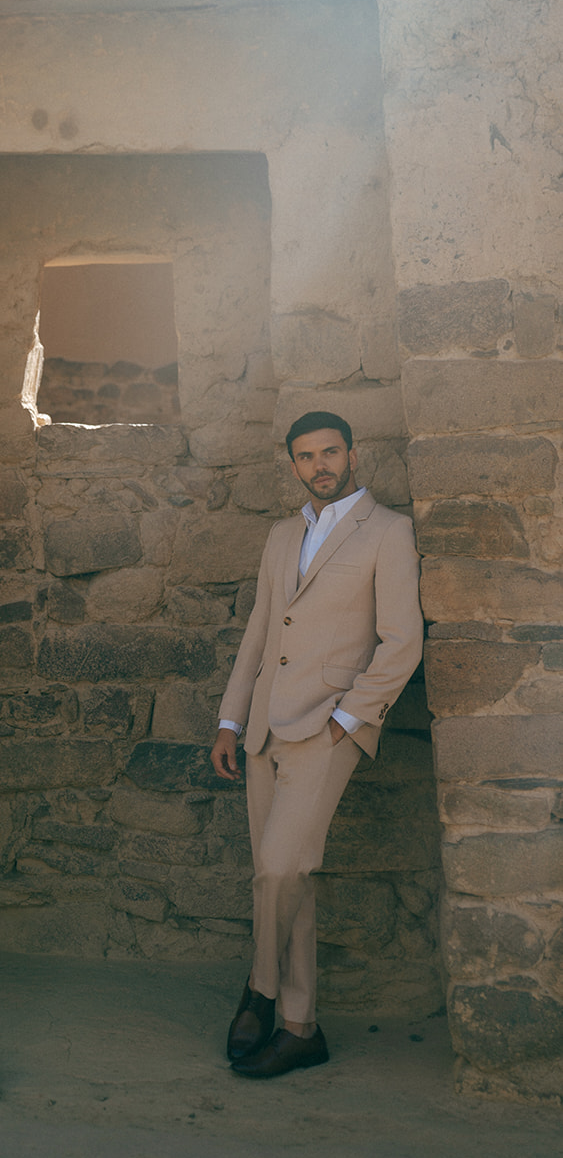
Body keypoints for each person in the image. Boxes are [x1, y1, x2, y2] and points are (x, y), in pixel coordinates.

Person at [210, 411, 423, 1079]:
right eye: (305, 457)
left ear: (352, 457)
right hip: (265, 728)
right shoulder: (280, 536)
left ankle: (260, 990)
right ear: (294, 465)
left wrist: (349, 719)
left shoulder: (388, 532)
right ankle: (301, 1027)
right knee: (288, 876)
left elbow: (401, 640)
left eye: (329, 453)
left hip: (327, 728)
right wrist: (229, 720)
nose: (318, 465)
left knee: (278, 869)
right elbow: (259, 631)